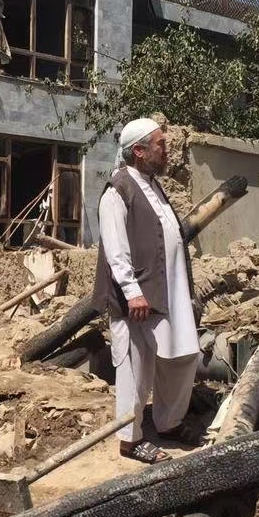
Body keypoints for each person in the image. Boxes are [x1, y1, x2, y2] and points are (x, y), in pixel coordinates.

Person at [94, 117, 199, 464]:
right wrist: (131, 290)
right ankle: (130, 439)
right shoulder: (118, 190)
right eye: (160, 144)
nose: (166, 150)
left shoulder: (153, 185)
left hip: (168, 294)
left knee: (183, 356)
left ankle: (168, 422)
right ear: (139, 151)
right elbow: (115, 248)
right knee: (134, 369)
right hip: (136, 298)